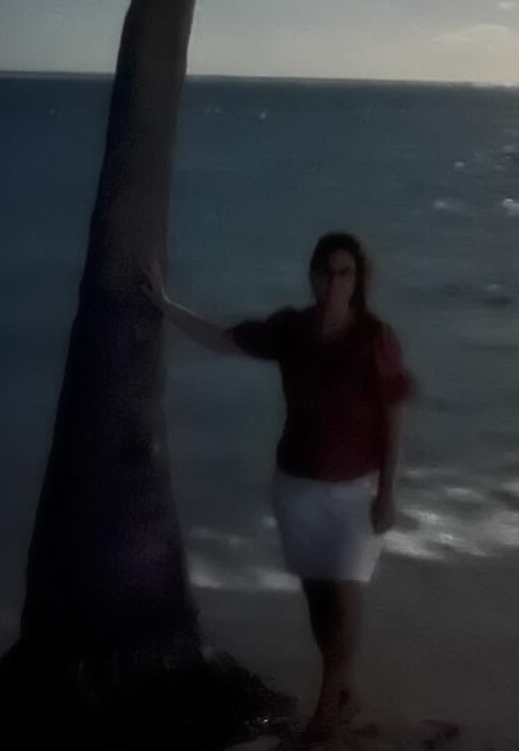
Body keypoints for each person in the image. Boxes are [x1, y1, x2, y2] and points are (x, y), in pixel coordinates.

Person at [143, 233, 412, 742]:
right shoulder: (292, 330)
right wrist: (165, 304)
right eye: (327, 272)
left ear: (357, 282)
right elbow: (223, 340)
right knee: (319, 604)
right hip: (298, 488)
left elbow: (396, 412)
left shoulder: (375, 338)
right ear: (312, 277)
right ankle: (344, 689)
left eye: (345, 273)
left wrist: (388, 491)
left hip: (358, 492)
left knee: (348, 599)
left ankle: (325, 714)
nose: (334, 282)